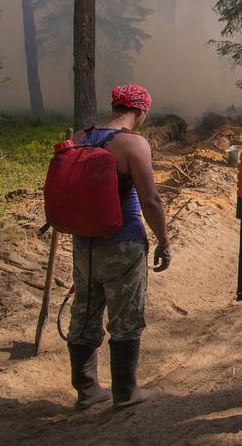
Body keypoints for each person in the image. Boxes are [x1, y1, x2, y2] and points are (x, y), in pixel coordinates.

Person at [66, 85, 172, 411]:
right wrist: (164, 242)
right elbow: (151, 201)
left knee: (85, 311)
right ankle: (125, 392)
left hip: (84, 241)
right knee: (125, 317)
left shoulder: (81, 137)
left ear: (114, 105)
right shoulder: (132, 144)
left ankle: (86, 390)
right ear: (141, 112)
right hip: (122, 240)